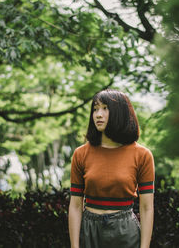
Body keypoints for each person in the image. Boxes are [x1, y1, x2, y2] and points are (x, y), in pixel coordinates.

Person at [68, 89, 155, 248]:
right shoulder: (80, 154)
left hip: (125, 232)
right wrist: (75, 246)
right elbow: (75, 205)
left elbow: (147, 207)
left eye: (105, 108)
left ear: (120, 113)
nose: (98, 114)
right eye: (95, 109)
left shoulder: (142, 155)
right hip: (89, 231)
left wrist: (144, 246)